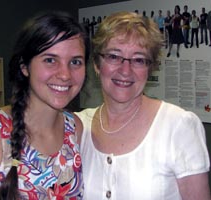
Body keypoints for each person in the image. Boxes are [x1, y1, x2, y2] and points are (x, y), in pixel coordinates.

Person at [0, 11, 90, 200]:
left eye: (75, 62)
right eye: (50, 60)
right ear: (24, 66)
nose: (65, 74)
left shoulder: (75, 128)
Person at [76, 11, 211, 200]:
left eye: (139, 60)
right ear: (97, 64)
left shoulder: (178, 126)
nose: (125, 70)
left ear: (150, 68)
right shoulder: (78, 127)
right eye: (114, 56)